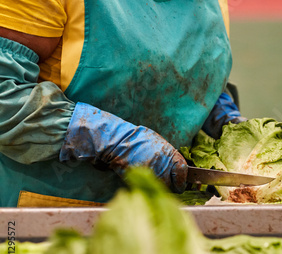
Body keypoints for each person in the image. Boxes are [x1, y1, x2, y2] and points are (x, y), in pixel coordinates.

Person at [0, 0, 245, 207]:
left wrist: (215, 108)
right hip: (51, 217)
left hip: (163, 218)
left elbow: (177, 68)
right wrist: (104, 138)